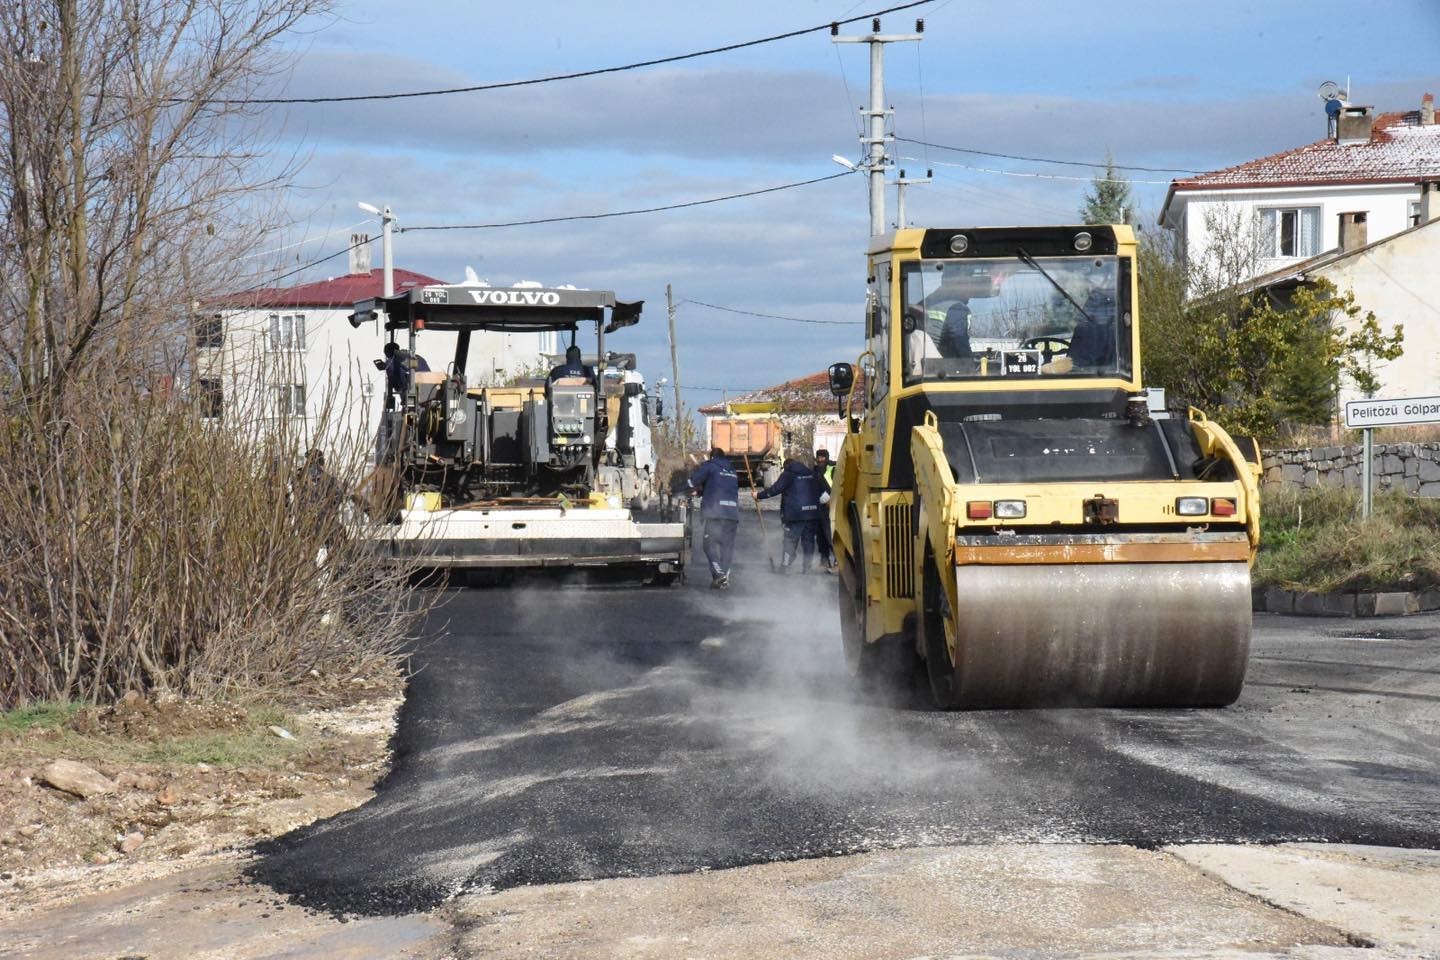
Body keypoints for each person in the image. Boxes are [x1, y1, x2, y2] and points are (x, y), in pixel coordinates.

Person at [757, 457, 824, 573]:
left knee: (790, 540)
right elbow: (823, 493)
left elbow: (775, 489)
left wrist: (759, 495)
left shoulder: (788, 474)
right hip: (812, 513)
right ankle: (807, 568)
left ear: (786, 466)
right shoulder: (812, 474)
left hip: (795, 514)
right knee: (809, 541)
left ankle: (786, 566)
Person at [687, 447, 740, 589]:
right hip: (732, 514)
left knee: (709, 545)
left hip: (716, 513)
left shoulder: (710, 466)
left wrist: (683, 487)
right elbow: (719, 487)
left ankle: (719, 574)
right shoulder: (732, 470)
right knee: (727, 547)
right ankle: (724, 578)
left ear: (712, 457)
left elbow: (693, 482)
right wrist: (703, 491)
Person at [812, 449, 836, 571]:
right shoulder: (815, 471)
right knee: (820, 535)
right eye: (819, 457)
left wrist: (831, 498)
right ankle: (824, 560)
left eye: (822, 457)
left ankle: (837, 561)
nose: (820, 460)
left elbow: (838, 485)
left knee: (830, 534)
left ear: (827, 458)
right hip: (819, 507)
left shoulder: (833, 468)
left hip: (832, 505)